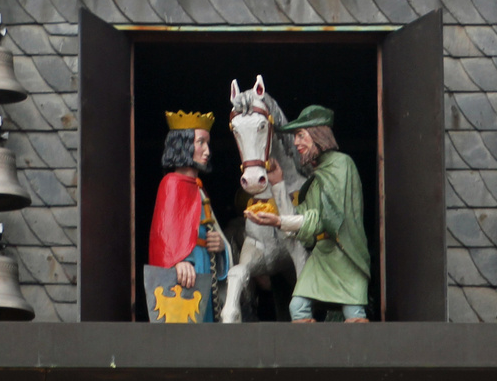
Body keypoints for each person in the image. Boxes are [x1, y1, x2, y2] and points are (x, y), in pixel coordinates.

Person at [245, 105, 370, 322]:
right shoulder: (317, 175)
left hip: (345, 254)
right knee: (299, 307)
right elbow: (300, 218)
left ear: (318, 135)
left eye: (301, 135)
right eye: (295, 136)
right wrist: (278, 184)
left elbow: (327, 218)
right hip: (322, 256)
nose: (295, 143)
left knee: (354, 314)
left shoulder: (342, 166)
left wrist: (280, 220)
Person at [147, 111, 229, 321]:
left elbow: (207, 228)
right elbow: (164, 233)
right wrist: (177, 260)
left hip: (203, 263)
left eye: (207, 143)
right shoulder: (172, 184)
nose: (207, 151)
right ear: (183, 145)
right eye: (200, 142)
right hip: (187, 269)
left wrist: (220, 247)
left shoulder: (199, 189)